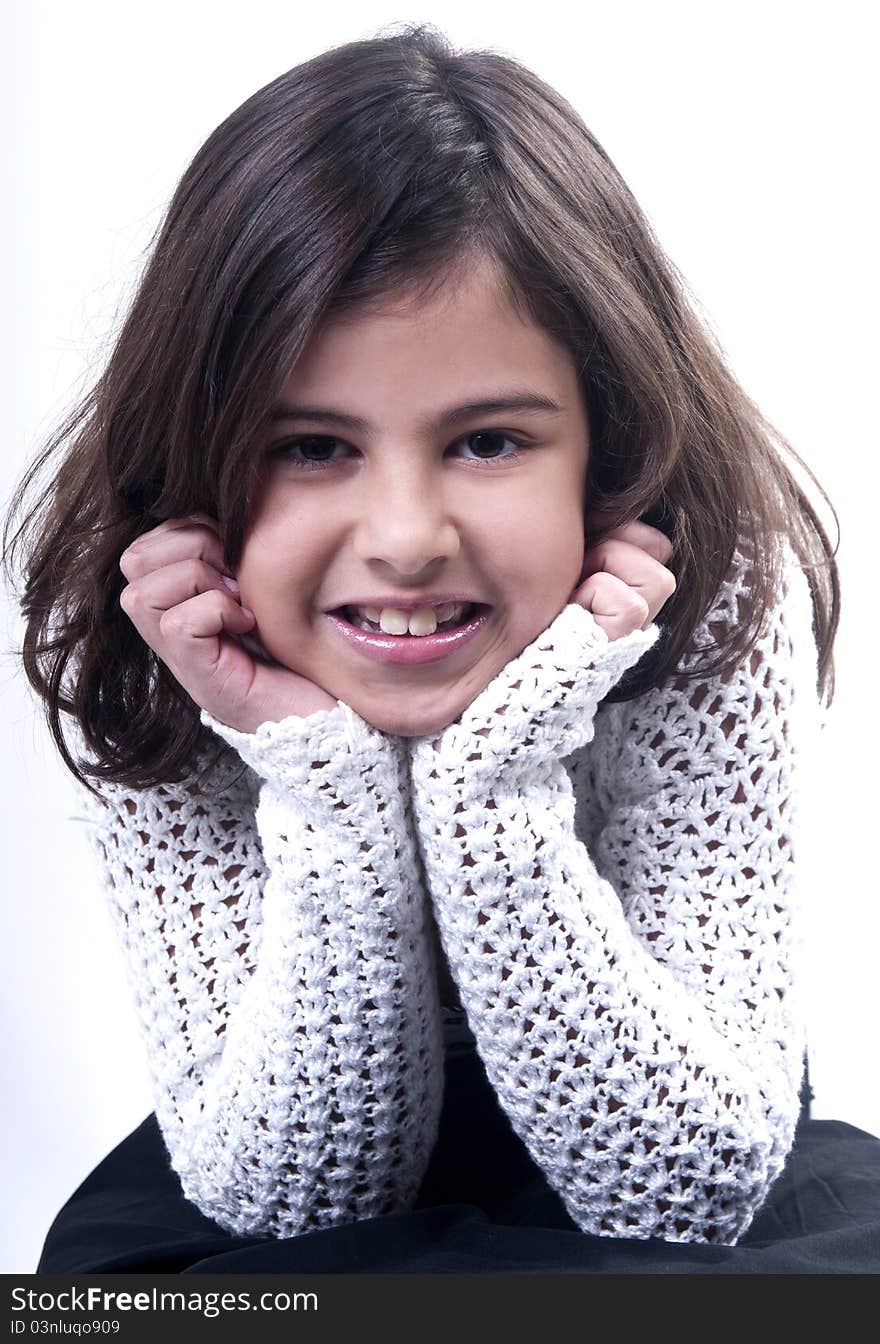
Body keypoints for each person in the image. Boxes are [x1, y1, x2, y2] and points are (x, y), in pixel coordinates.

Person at [5, 23, 879, 1274]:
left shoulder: (705, 597)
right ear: (194, 465)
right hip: (292, 1112)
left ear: (610, 446)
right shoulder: (161, 640)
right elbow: (304, 1207)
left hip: (657, 1094)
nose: (406, 540)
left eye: (487, 442)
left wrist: (494, 786)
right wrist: (318, 772)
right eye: (310, 447)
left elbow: (679, 1196)